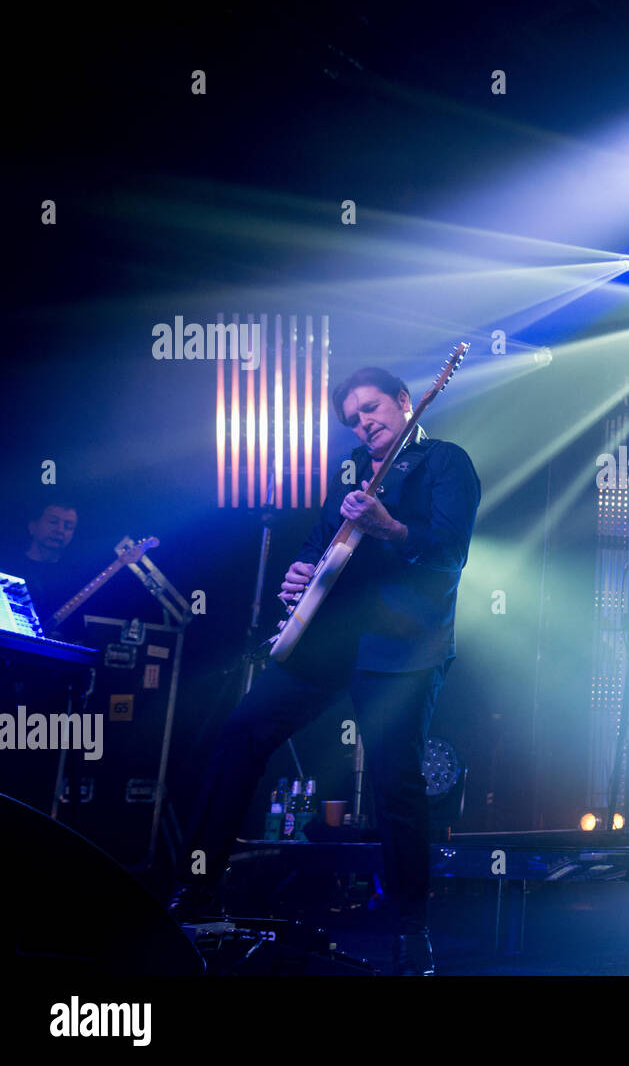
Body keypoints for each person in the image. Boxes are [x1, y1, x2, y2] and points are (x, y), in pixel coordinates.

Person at [168, 366, 480, 976]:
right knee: (240, 736)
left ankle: (412, 931)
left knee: (396, 784)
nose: (364, 423)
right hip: (330, 642)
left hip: (403, 646)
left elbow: (449, 555)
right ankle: (196, 887)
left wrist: (386, 525)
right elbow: (317, 551)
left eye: (372, 408)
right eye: (354, 419)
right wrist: (298, 576)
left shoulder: (446, 462)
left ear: (403, 401)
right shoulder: (351, 480)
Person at [5, 501, 80, 625]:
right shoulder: (7, 569)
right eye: (53, 522)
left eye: (68, 526)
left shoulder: (74, 578)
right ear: (32, 527)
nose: (60, 530)